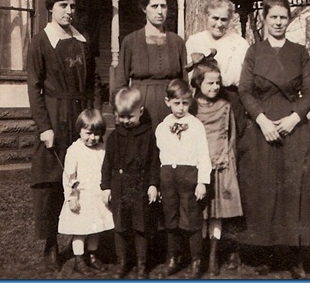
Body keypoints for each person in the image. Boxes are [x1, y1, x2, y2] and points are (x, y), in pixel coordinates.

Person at [237, 0, 310, 279]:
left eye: (284, 17)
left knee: (295, 190)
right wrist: (261, 119)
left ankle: (296, 257)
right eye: (274, 17)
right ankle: (265, 253)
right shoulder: (254, 52)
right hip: (261, 130)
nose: (279, 22)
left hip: (294, 129)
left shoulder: (300, 52)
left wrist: (295, 117)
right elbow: (245, 89)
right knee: (262, 191)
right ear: (265, 18)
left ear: (289, 19)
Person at [27, 0, 97, 272]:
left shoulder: (82, 40)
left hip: (80, 117)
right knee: (53, 181)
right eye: (63, 6)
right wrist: (44, 126)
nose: (70, 11)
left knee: (86, 178)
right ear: (50, 8)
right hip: (55, 118)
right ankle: (51, 245)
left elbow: (93, 82)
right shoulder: (40, 42)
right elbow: (34, 88)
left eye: (72, 6)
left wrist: (94, 116)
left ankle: (86, 245)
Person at [188, 59, 243, 276]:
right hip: (199, 169)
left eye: (218, 83)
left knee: (216, 214)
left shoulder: (226, 106)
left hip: (221, 166)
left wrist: (230, 164)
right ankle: (198, 256)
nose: (215, 87)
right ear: (198, 83)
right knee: (200, 214)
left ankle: (213, 256)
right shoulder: (191, 107)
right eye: (210, 83)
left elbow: (231, 138)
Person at [101, 87, 160, 279]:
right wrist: (106, 187)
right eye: (122, 117)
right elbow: (107, 164)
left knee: (140, 226)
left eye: (130, 117)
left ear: (140, 112)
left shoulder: (148, 136)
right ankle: (122, 262)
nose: (126, 121)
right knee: (121, 227)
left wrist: (153, 184)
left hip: (140, 187)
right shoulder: (113, 138)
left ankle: (142, 264)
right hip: (119, 187)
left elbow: (153, 163)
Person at [155, 79, 212, 279]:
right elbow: (159, 156)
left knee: (192, 221)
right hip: (168, 178)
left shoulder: (196, 126)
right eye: (177, 103)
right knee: (170, 220)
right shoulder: (162, 127)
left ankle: (196, 260)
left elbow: (203, 154)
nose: (181, 107)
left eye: (185, 103)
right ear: (167, 101)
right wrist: (159, 183)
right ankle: (173, 258)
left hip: (189, 177)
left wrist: (202, 181)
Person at [113, 0, 187, 131]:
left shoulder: (177, 42)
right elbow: (120, 83)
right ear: (144, 8)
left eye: (163, 6)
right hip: (140, 108)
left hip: (169, 109)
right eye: (154, 6)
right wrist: (123, 112)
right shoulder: (131, 41)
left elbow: (184, 82)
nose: (160, 11)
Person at [58, 109, 114, 276]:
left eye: (97, 134)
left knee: (95, 228)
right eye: (88, 133)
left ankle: (92, 255)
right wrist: (71, 197)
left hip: (96, 196)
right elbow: (69, 176)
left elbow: (106, 170)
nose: (92, 138)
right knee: (80, 230)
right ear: (80, 130)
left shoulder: (102, 149)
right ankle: (79, 259)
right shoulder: (74, 150)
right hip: (81, 197)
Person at [186, 0, 249, 137]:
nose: (219, 24)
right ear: (206, 17)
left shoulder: (240, 43)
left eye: (224, 19)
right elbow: (189, 76)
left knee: (232, 144)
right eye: (215, 18)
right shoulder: (195, 41)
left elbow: (245, 80)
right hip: (202, 102)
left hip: (232, 99)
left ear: (230, 20)